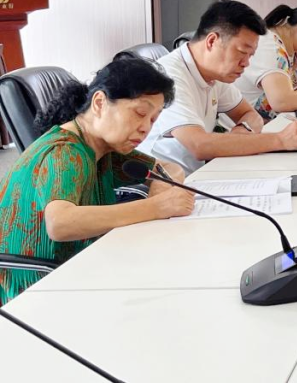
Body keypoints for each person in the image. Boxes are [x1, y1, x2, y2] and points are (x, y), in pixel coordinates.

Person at [0, 57, 196, 304]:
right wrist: (156, 207)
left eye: (153, 120)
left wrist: (158, 188)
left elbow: (169, 168)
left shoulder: (104, 149)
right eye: (140, 113)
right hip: (32, 289)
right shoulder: (64, 152)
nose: (145, 128)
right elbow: (60, 223)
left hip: (79, 268)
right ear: (100, 103)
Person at [139, 0, 297, 174]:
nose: (246, 63)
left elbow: (250, 115)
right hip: (164, 183)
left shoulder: (215, 73)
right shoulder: (170, 75)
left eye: (250, 55)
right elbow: (199, 145)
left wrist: (242, 130)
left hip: (205, 172)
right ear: (212, 41)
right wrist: (280, 140)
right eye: (242, 52)